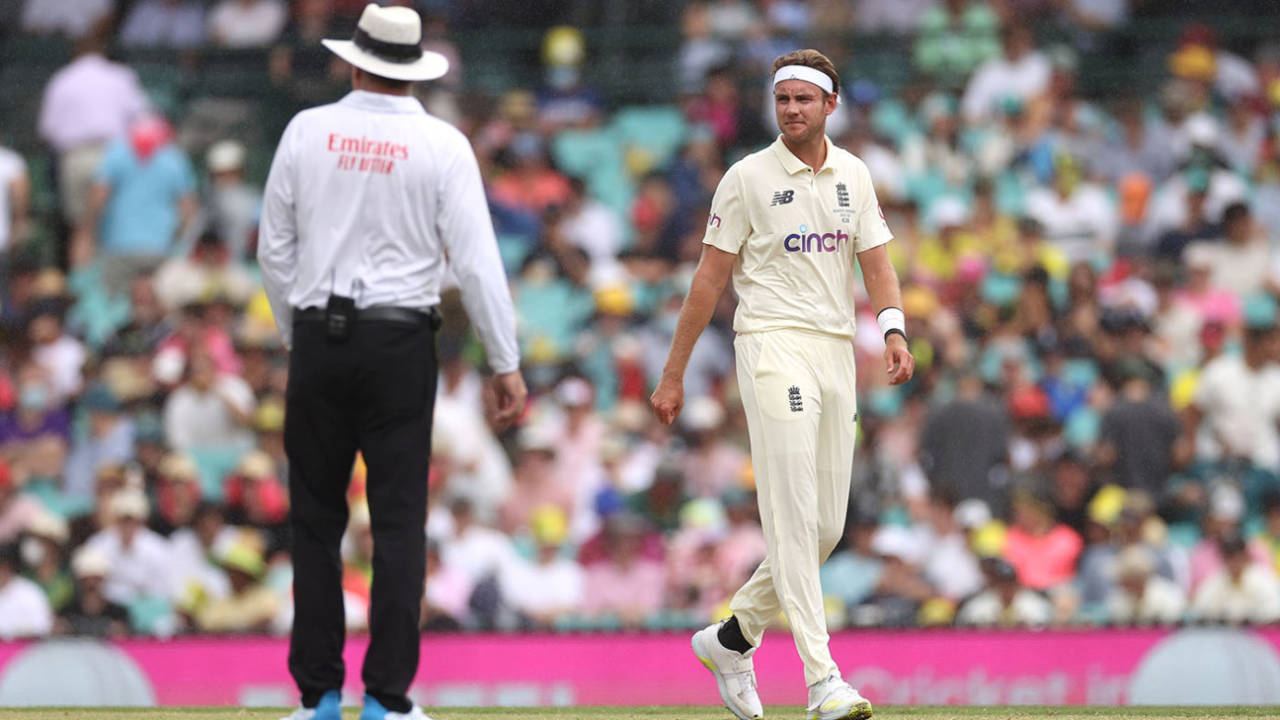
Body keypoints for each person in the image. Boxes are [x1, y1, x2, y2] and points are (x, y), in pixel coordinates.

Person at [258, 6, 526, 720]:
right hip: (402, 341)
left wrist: (295, 331)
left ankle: (317, 698)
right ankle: (386, 701)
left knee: (315, 521)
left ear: (355, 61)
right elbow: (475, 262)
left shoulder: (306, 131)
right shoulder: (441, 144)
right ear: (413, 69)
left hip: (320, 334)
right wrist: (505, 361)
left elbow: (273, 248)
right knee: (399, 523)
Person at [651, 49, 915, 720]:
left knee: (823, 527)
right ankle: (822, 680)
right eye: (783, 99)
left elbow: (877, 264)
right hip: (770, 345)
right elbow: (708, 280)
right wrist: (674, 372)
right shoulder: (746, 177)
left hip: (833, 353)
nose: (792, 110)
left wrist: (893, 330)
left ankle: (733, 638)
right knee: (793, 517)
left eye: (805, 99)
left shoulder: (854, 174)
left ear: (832, 105)